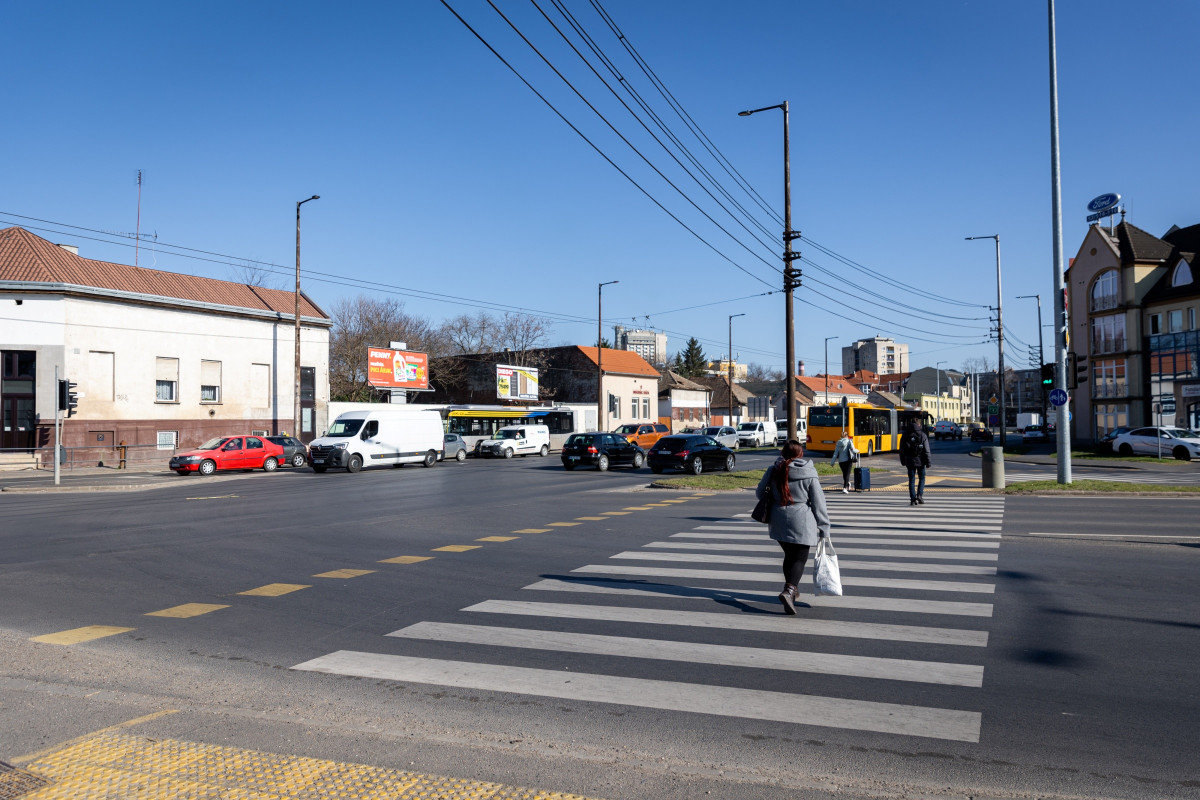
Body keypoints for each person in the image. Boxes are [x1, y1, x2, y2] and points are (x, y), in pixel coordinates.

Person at [755, 439, 831, 615]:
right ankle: (789, 591)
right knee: (800, 558)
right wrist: (824, 527)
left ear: (782, 453)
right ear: (801, 454)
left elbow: (760, 493)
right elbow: (819, 503)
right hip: (801, 520)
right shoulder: (809, 472)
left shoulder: (774, 469)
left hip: (778, 519)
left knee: (790, 555)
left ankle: (791, 588)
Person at [899, 419, 932, 506]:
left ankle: (913, 499)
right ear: (919, 425)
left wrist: (902, 460)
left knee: (911, 480)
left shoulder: (905, 435)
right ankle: (920, 495)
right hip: (921, 461)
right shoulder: (923, 435)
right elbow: (927, 450)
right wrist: (928, 462)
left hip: (909, 461)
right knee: (922, 478)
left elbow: (901, 449)